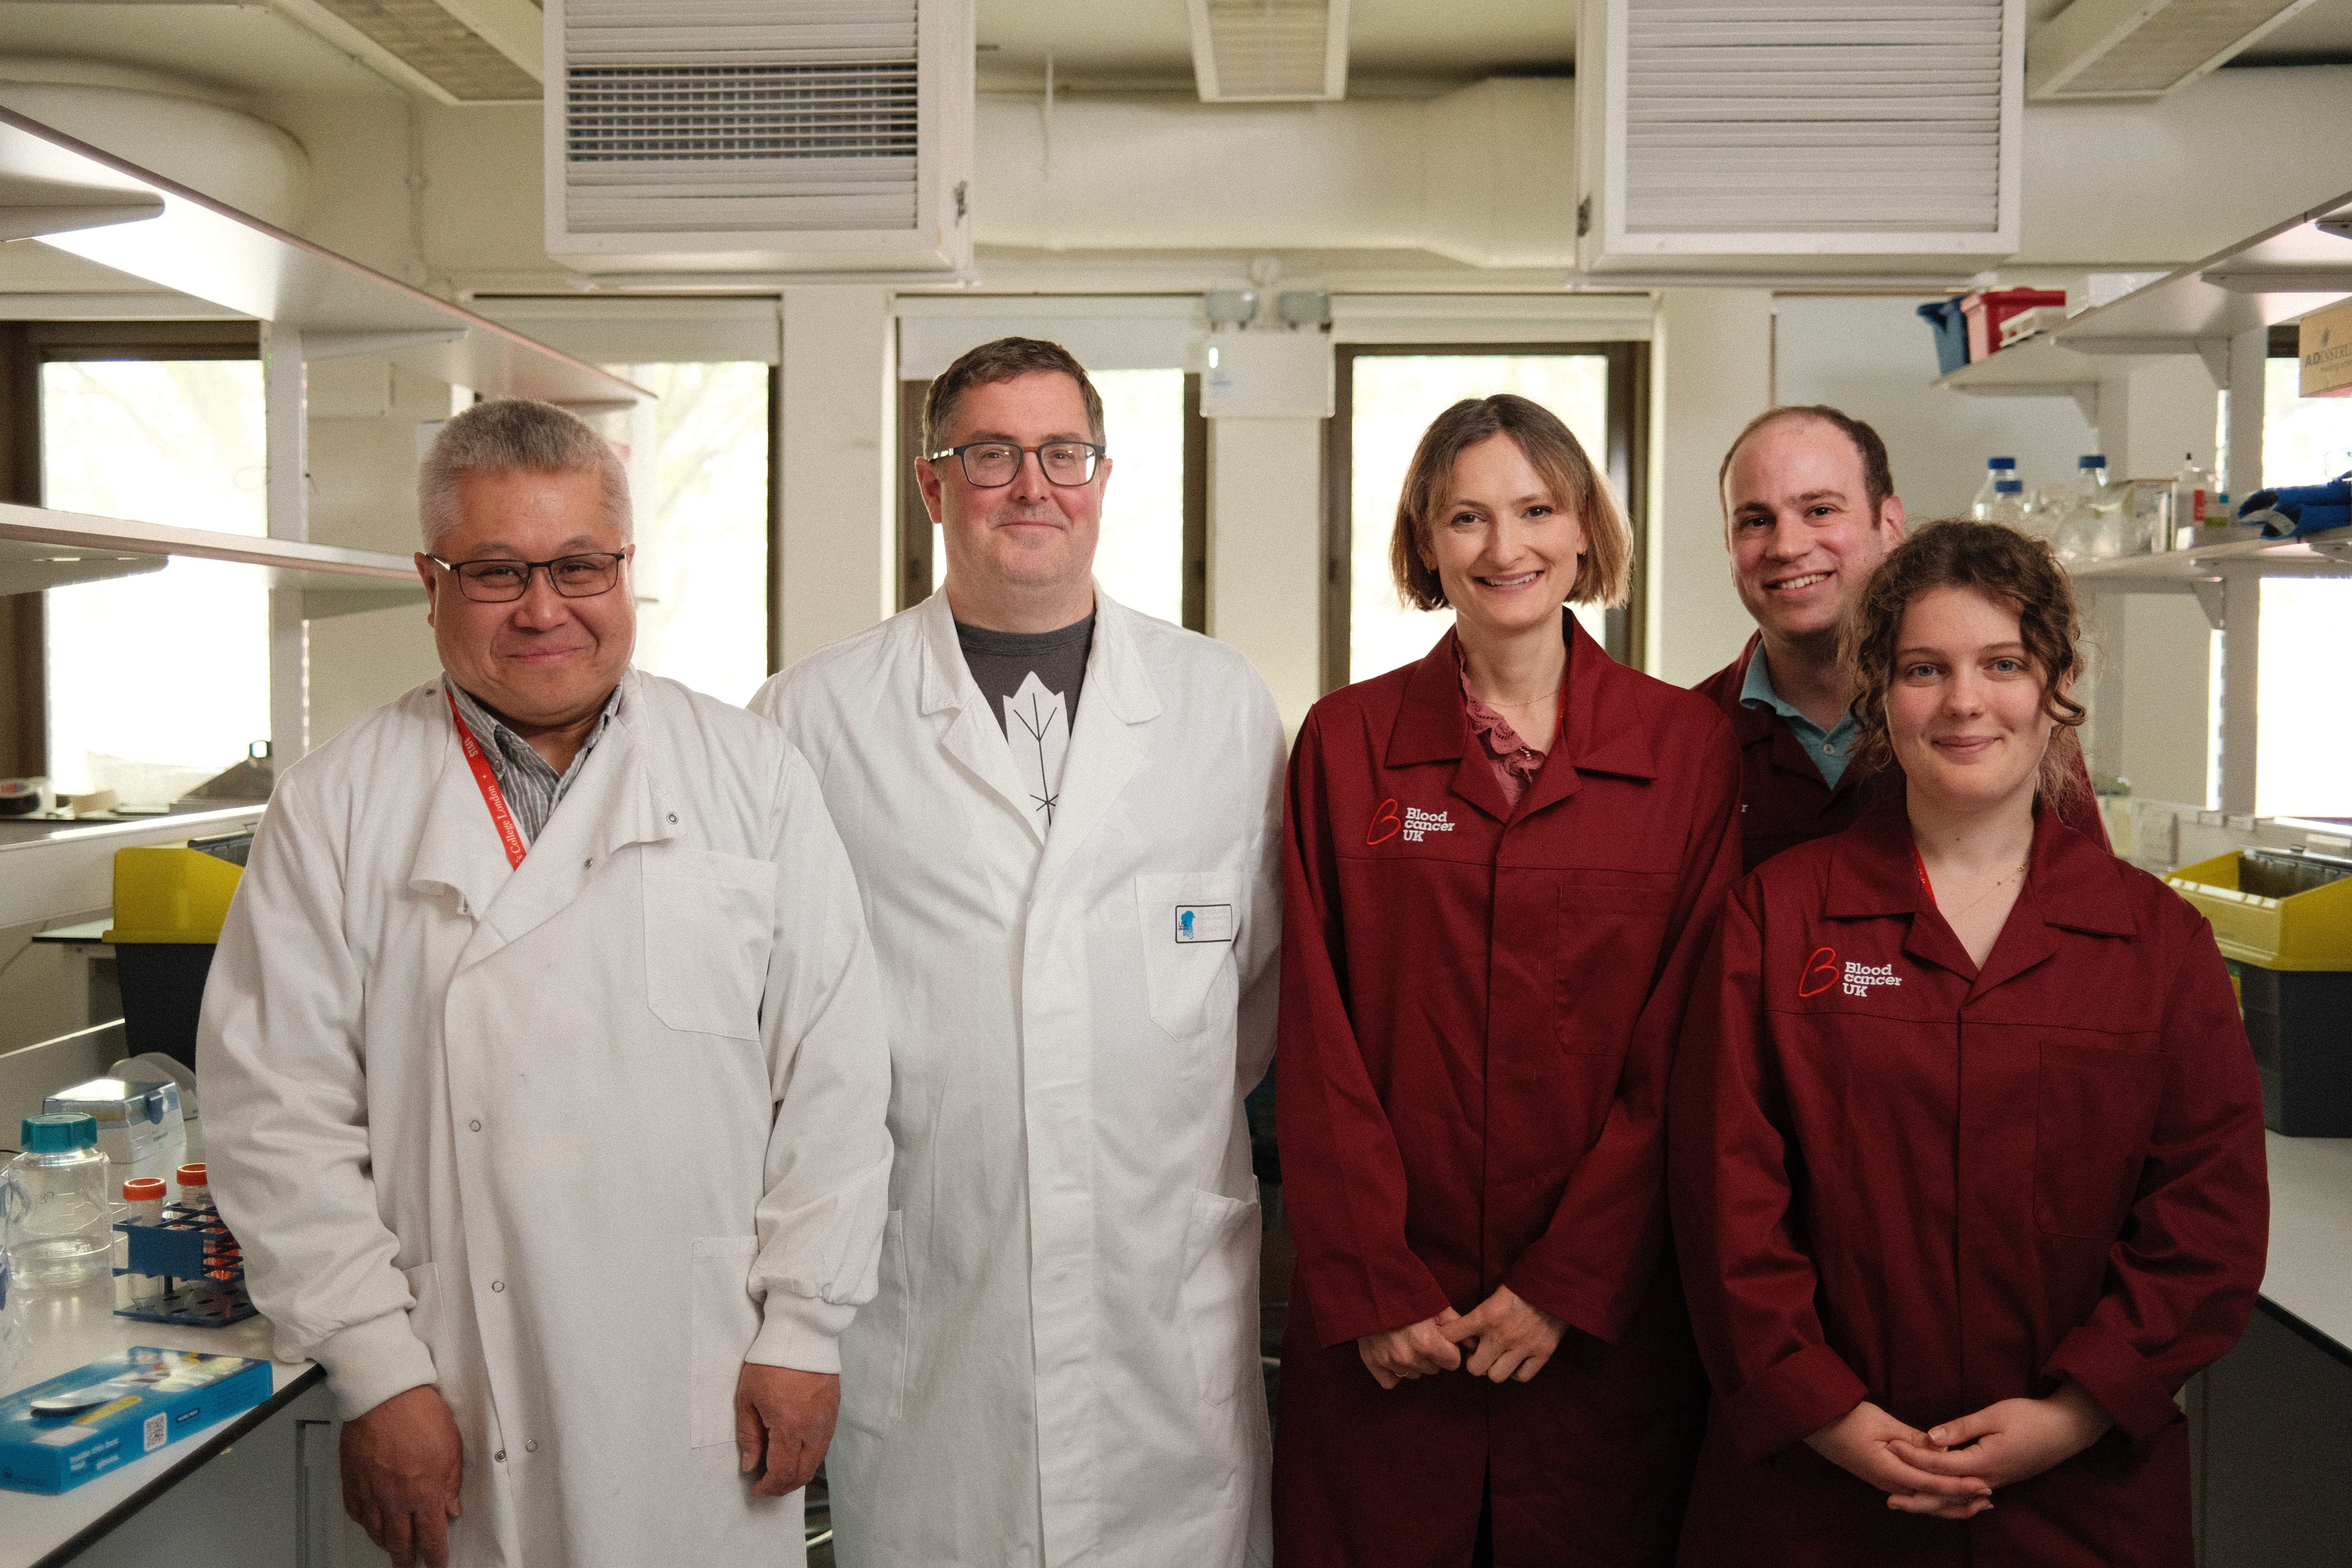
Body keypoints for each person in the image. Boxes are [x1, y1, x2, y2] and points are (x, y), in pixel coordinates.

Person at [199, 399, 892, 1568]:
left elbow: (834, 1068)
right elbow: (277, 1119)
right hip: (462, 1376)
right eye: (495, 572)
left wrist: (808, 1330)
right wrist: (375, 1371)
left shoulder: (749, 772)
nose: (543, 607)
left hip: (707, 1362)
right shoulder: (339, 802)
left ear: (625, 568)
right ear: (430, 580)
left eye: (579, 565)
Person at [749, 337, 1287, 1567]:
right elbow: (775, 1026)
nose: (1031, 485)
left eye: (1063, 453)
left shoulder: (1222, 706)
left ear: (1102, 475)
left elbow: (1249, 999)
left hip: (1165, 1335)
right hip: (935, 1314)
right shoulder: (814, 719)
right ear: (933, 486)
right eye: (989, 455)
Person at [1669, 520, 2268, 1567]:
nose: (1963, 702)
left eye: (2003, 664)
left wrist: (2076, 1412)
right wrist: (1826, 1411)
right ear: (1877, 689)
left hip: (2079, 1500)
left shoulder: (2158, 942)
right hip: (1815, 1495)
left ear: (2057, 684)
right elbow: (1725, 1200)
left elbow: (2206, 1217)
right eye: (1923, 669)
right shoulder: (1777, 920)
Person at [1274, 394, 1743, 1567]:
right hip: (1392, 1322)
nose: (1504, 547)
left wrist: (1566, 1283)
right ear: (1425, 543)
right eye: (1466, 518)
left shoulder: (1686, 750)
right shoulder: (1343, 745)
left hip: (1599, 1328)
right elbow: (1315, 1036)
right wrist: (1374, 1282)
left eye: (1536, 509)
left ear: (1585, 527)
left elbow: (1683, 1050)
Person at [1695, 406, 2108, 871]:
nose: (1787, 546)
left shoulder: (1997, 727)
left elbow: (2091, 907)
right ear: (1729, 544)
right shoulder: (1686, 738)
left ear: (1890, 524)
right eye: (1755, 521)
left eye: (1821, 510)